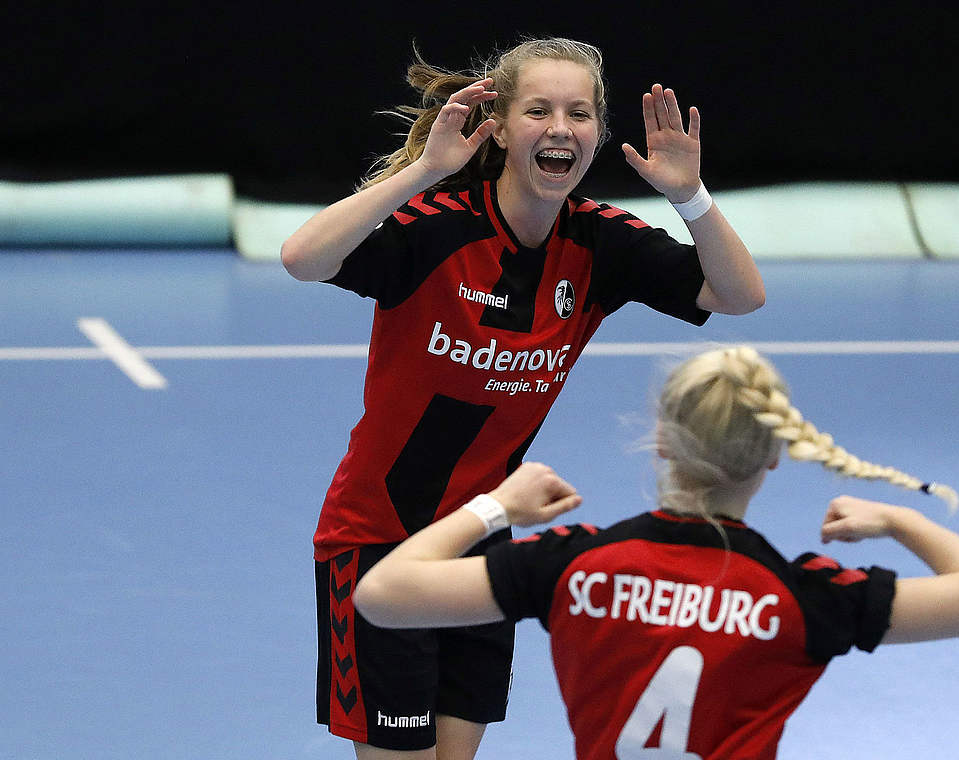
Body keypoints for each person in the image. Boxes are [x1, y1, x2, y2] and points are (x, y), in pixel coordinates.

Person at [280, 37, 765, 759]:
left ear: (599, 132)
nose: (560, 128)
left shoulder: (600, 244)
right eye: (538, 110)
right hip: (375, 540)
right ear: (501, 127)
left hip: (482, 538)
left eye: (579, 113)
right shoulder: (440, 229)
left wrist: (687, 196)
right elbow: (302, 258)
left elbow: (739, 295)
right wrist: (424, 171)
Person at [352, 345, 959, 759]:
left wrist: (498, 504)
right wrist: (899, 520)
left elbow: (381, 595)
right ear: (775, 457)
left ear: (663, 442)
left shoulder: (571, 566)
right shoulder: (803, 597)